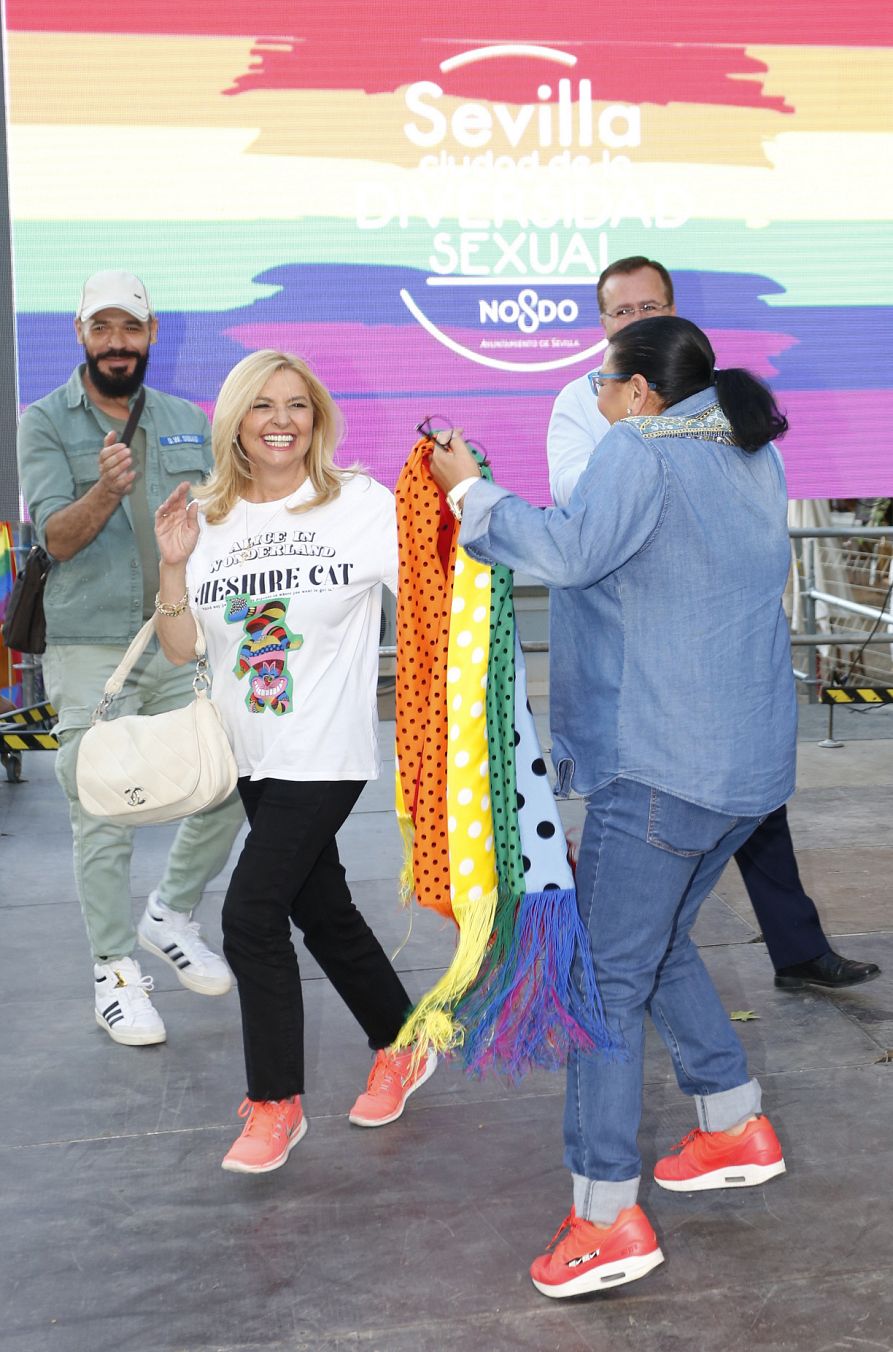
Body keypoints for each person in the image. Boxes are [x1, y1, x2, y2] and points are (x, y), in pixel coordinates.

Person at [428, 316, 795, 1295]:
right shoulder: (746, 453)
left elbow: (571, 549)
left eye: (601, 381)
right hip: (741, 768)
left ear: (638, 393)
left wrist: (468, 488)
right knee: (656, 938)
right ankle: (731, 1118)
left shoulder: (638, 447)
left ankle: (604, 1214)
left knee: (598, 978)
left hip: (661, 763)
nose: (592, 396)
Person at [547, 255, 879, 992]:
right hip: (645, 683)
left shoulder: (718, 410)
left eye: (649, 307)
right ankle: (720, 1070)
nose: (636, 320)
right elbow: (572, 497)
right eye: (622, 312)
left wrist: (651, 450)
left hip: (713, 666)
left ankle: (794, 951)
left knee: (750, 814)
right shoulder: (586, 401)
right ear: (601, 323)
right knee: (647, 905)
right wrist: (639, 446)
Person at [152, 349, 436, 1175]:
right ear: (235, 421)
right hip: (251, 755)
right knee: (325, 913)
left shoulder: (357, 505)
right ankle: (404, 1043)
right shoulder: (207, 517)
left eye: (297, 405)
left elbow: (432, 589)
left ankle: (276, 1103)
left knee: (248, 915)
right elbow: (180, 650)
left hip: (326, 752)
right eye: (263, 405)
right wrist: (172, 562)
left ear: (316, 419)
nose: (281, 420)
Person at [17, 271, 244, 1047]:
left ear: (150, 335)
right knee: (102, 810)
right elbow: (55, 539)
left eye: (131, 329)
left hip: (180, 633)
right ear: (81, 334)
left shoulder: (187, 419)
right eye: (103, 328)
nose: (118, 343)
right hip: (89, 641)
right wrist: (106, 492)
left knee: (232, 773)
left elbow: (227, 522)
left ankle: (171, 911)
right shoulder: (44, 421)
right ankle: (114, 973)